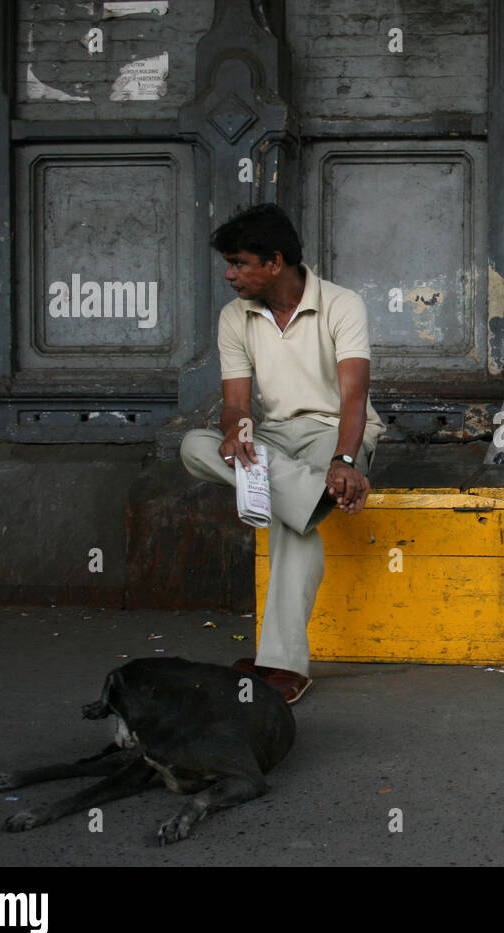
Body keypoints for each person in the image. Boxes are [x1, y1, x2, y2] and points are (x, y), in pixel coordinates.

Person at [180, 204, 386, 702]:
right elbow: (234, 403)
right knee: (194, 445)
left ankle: (282, 664)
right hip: (272, 438)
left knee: (290, 525)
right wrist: (236, 433)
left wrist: (345, 461)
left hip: (332, 432)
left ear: (275, 262)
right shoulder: (236, 317)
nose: (230, 275)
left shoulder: (342, 304)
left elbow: (353, 396)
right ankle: (312, 497)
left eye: (239, 262)